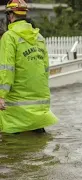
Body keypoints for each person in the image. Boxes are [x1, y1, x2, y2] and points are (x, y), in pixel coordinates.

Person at [0, 0, 58, 134]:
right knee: (39, 144)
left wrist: (1, 96)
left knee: (13, 147)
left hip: (16, 106)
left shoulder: (9, 37)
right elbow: (45, 70)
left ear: (10, 16)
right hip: (39, 105)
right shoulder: (39, 38)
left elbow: (6, 69)